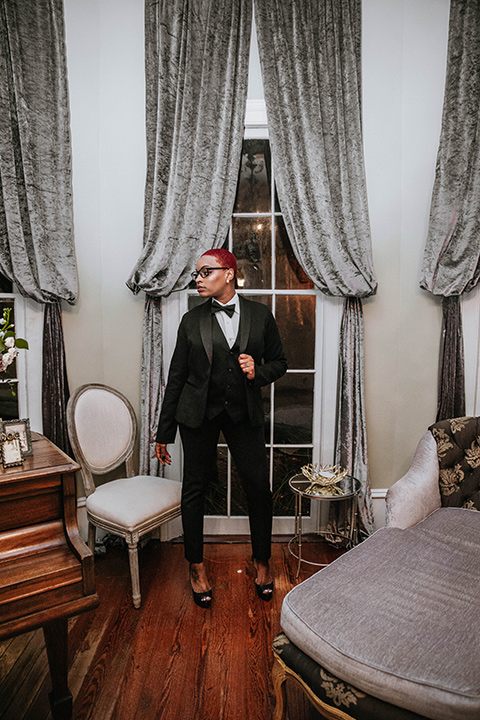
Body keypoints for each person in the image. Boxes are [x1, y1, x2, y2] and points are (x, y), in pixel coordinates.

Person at [155, 249, 287, 608]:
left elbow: (280, 362)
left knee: (258, 486)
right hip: (198, 414)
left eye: (205, 272)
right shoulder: (191, 321)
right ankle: (196, 567)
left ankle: (262, 562)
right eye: (196, 274)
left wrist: (256, 372)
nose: (198, 279)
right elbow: (177, 377)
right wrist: (163, 432)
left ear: (229, 274)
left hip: (243, 412)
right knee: (194, 487)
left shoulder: (260, 316)